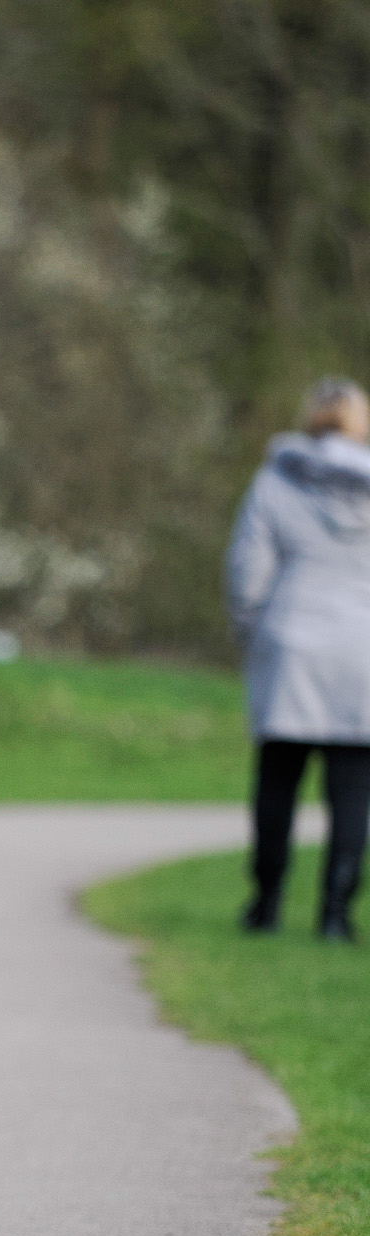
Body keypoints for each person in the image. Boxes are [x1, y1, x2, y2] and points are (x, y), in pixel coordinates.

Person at [226, 376, 370, 943]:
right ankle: (335, 914)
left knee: (278, 782)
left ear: (310, 418)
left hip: (289, 645)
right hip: (363, 651)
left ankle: (265, 903)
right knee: (354, 790)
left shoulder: (277, 480)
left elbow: (246, 569)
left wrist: (255, 634)